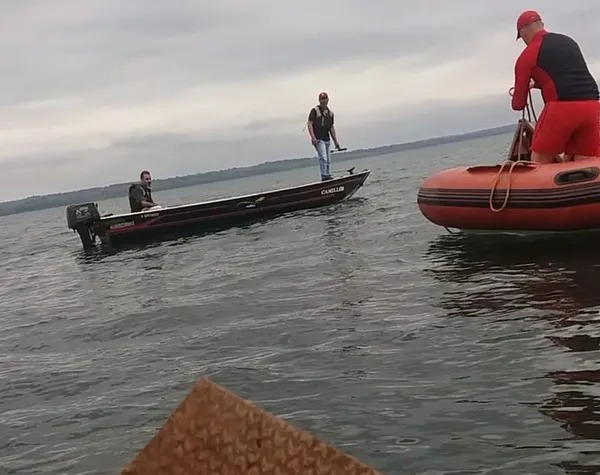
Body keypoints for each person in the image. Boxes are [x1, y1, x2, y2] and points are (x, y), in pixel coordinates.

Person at [511, 10, 600, 164]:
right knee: (586, 160)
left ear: (523, 32)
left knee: (539, 160)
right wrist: (537, 84)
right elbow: (566, 76)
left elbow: (518, 104)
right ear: (541, 24)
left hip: (561, 109)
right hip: (592, 106)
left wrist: (521, 90)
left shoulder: (527, 55)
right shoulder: (569, 42)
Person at [307, 91, 343, 180]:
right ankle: (324, 175)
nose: (323, 101)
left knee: (328, 159)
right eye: (322, 99)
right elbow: (310, 123)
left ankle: (327, 174)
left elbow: (331, 128)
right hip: (318, 139)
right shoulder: (315, 111)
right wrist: (313, 137)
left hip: (327, 139)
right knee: (323, 157)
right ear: (319, 100)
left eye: (325, 99)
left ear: (328, 100)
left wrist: (336, 142)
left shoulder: (330, 113)